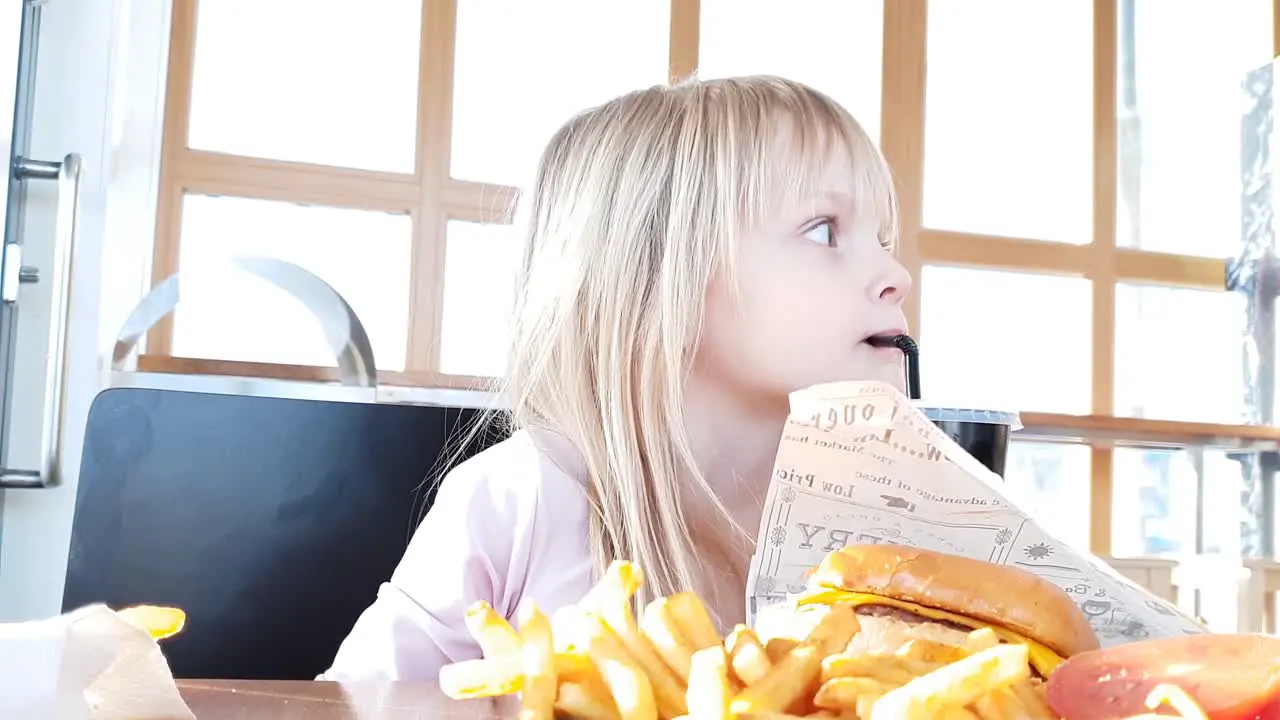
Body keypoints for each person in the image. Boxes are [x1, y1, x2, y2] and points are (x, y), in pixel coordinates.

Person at [322, 75, 912, 682]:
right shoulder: (517, 502)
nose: (897, 273)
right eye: (823, 229)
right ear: (660, 280)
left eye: (884, 238)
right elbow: (346, 705)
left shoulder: (892, 521)